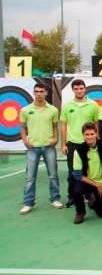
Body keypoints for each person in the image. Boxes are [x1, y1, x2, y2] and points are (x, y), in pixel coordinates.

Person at [19, 83, 63, 214]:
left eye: (41, 91)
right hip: (33, 147)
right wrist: (25, 140)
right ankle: (28, 202)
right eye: (36, 91)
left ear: (46, 93)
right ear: (34, 93)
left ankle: (55, 199)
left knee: (53, 175)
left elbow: (55, 126)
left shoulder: (53, 110)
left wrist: (55, 139)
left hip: (49, 146)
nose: (39, 94)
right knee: (30, 177)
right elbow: (22, 127)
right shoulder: (25, 110)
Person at [60, 79, 99, 208]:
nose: (79, 91)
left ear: (85, 89)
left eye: (81, 88)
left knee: (89, 170)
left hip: (88, 143)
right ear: (73, 90)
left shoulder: (93, 105)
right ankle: (72, 196)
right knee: (73, 172)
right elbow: (64, 125)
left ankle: (89, 195)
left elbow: (96, 124)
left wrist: (96, 140)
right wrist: (63, 144)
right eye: (76, 89)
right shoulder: (67, 106)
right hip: (73, 143)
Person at [71, 123, 102, 224]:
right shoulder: (78, 150)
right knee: (76, 190)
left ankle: (93, 201)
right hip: (86, 181)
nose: (89, 137)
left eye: (92, 134)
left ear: (96, 134)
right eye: (87, 134)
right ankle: (80, 212)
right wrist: (97, 185)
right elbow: (78, 175)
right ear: (83, 135)